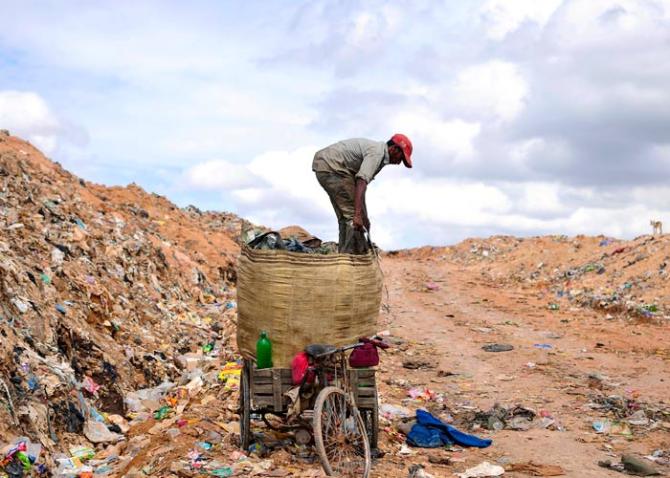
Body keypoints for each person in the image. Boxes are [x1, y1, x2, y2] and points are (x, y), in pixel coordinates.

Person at [312, 134, 413, 254]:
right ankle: (354, 259)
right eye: (401, 158)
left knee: (349, 218)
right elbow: (361, 181)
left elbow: (358, 186)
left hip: (327, 165)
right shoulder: (377, 154)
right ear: (395, 149)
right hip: (333, 166)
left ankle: (344, 258)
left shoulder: (377, 153)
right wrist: (358, 215)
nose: (399, 163)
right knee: (353, 219)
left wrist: (364, 216)